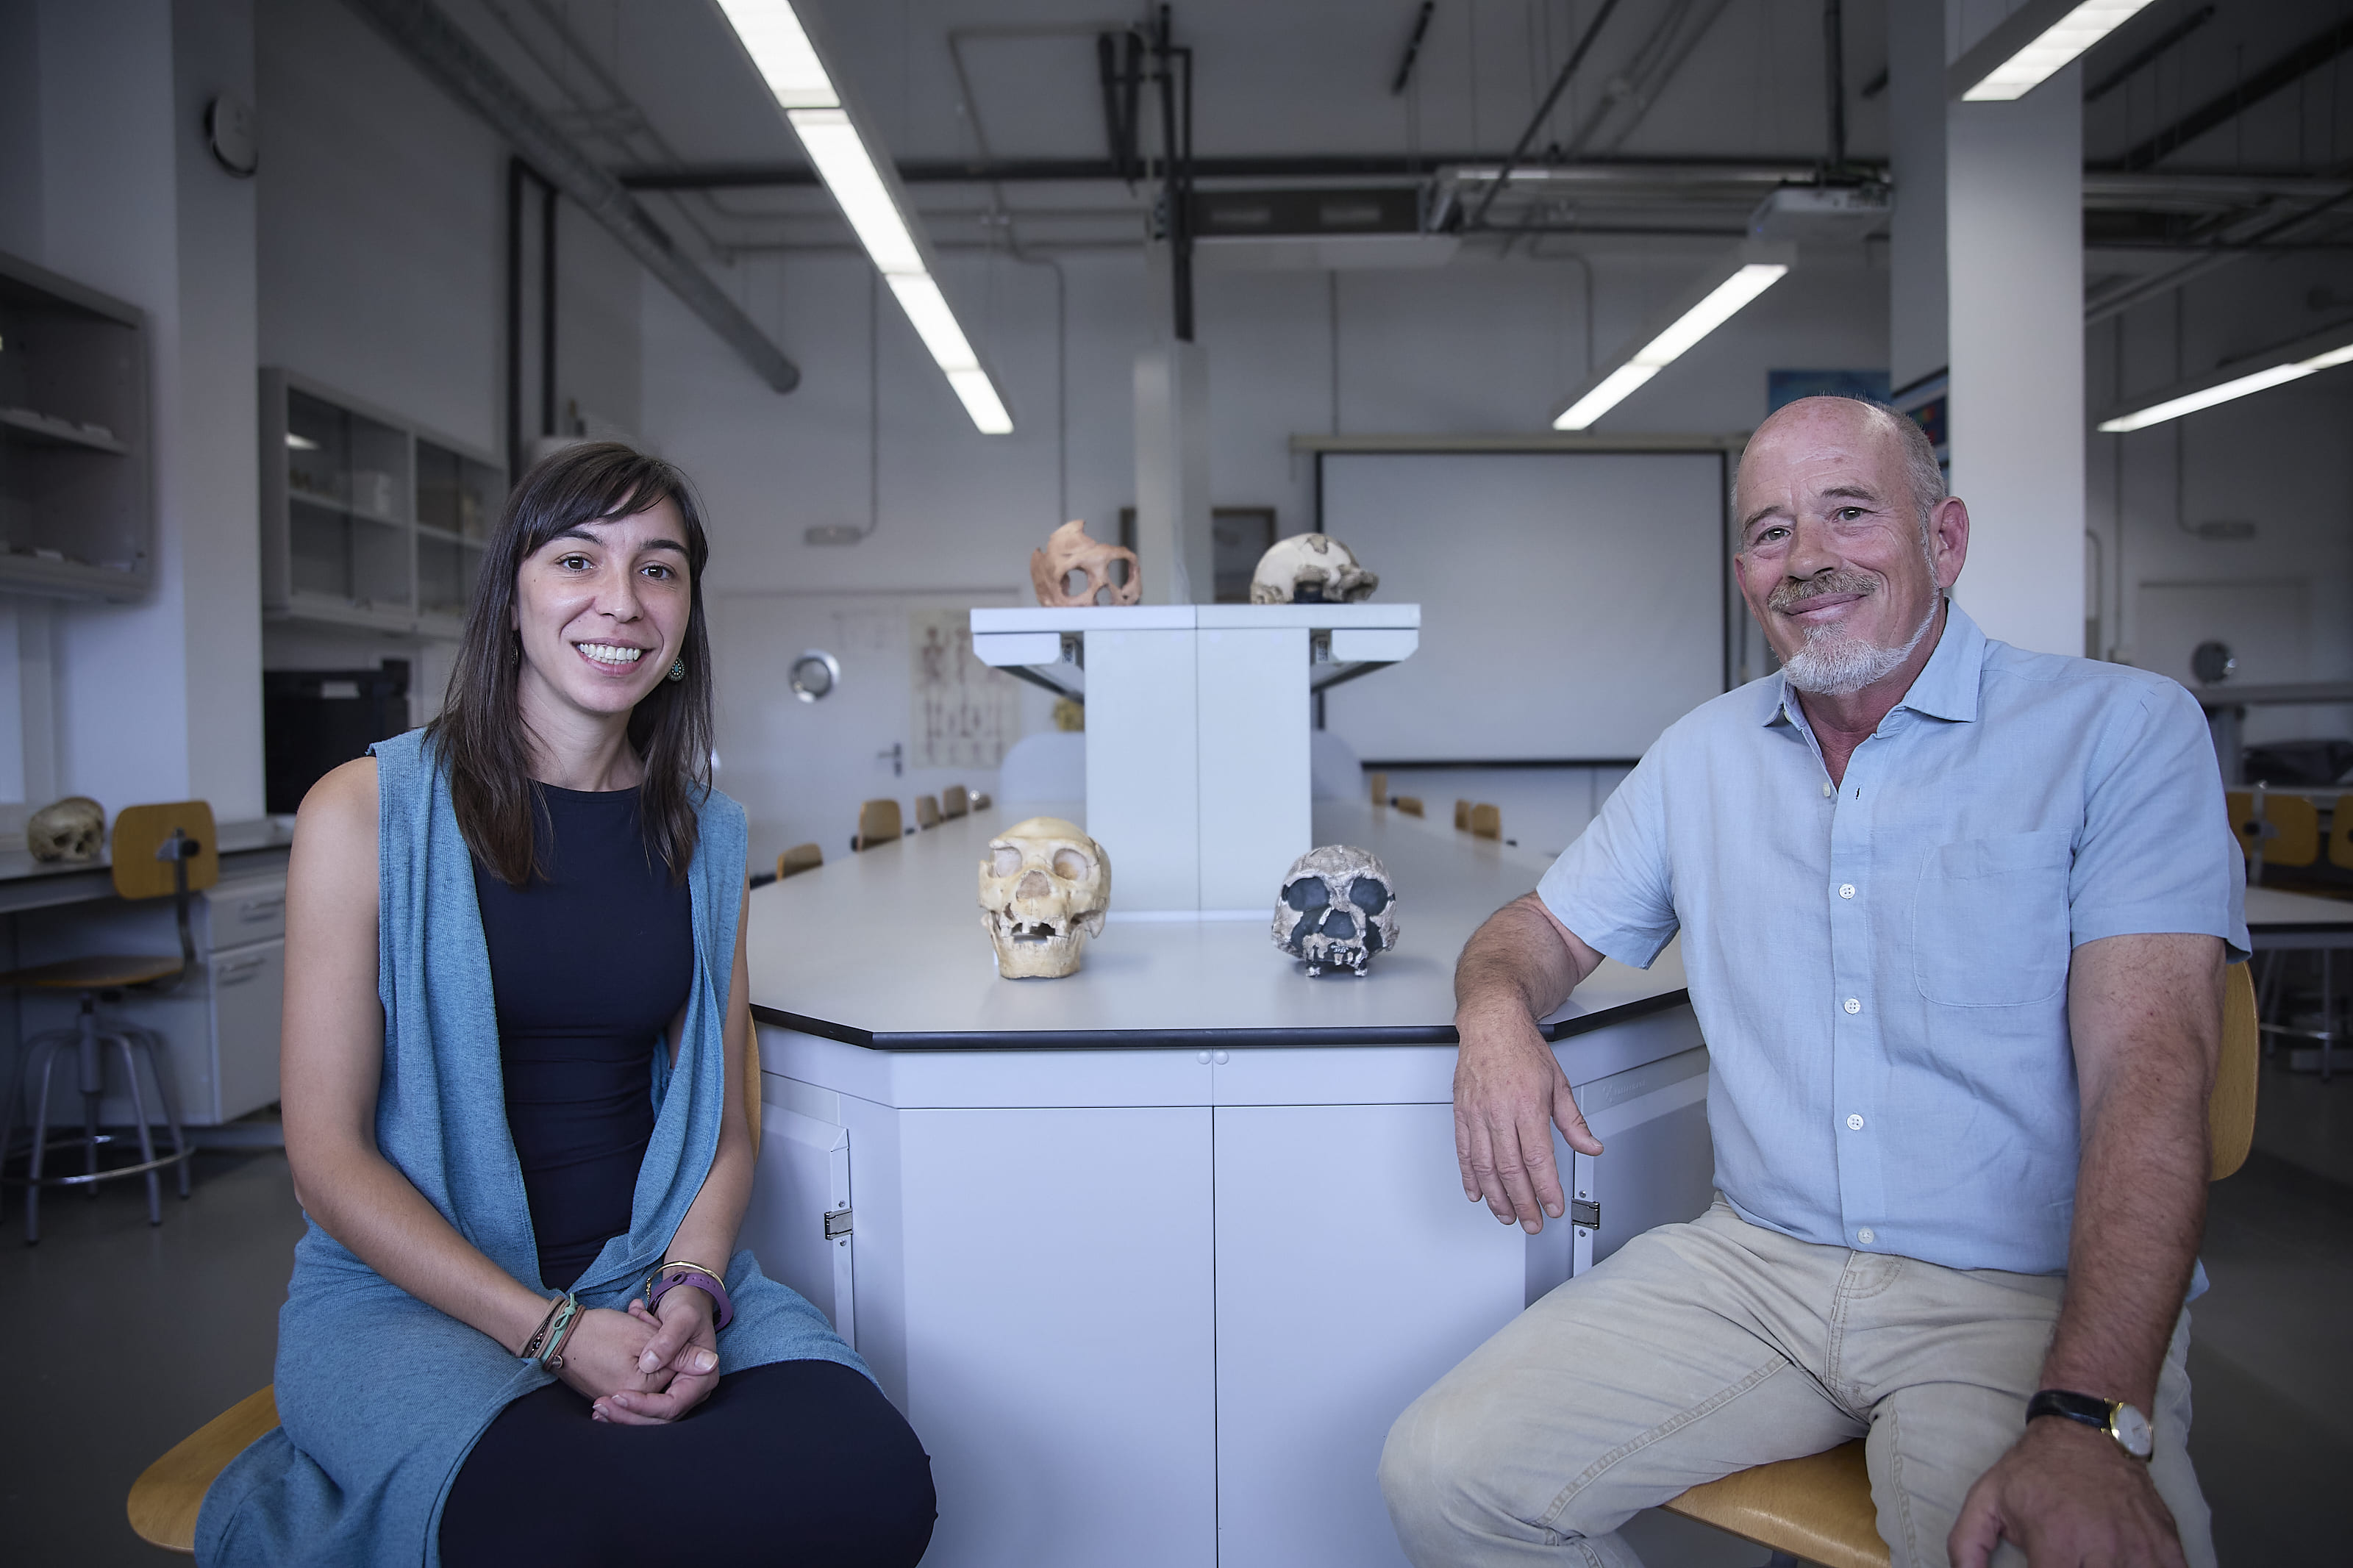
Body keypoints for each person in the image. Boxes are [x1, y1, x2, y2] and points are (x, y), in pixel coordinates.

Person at [1379, 396, 2243, 1568]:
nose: (1809, 560)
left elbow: (2154, 1078)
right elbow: (1532, 929)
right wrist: (1493, 1011)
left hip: (2014, 1293)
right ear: (1744, 572)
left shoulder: (2120, 733)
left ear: (1943, 541)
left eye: (1850, 512)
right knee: (1446, 1478)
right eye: (1772, 532)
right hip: (1758, 1268)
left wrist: (2087, 1418)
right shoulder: (1704, 755)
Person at [199, 444, 936, 1567]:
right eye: (576, 558)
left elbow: (725, 1128)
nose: (620, 600)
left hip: (645, 1277)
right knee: (567, 1528)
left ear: (686, 617)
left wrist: (692, 1287)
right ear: (511, 597)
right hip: (415, 1301)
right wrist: (552, 1333)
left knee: (875, 1483)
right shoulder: (365, 810)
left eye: (660, 569)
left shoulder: (705, 834)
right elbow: (326, 1159)